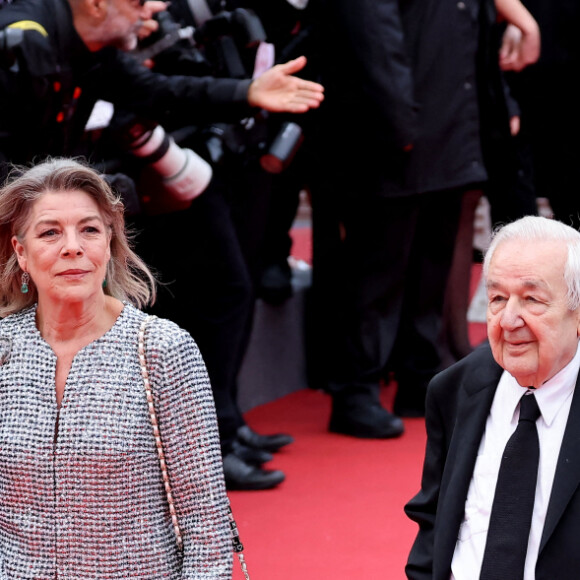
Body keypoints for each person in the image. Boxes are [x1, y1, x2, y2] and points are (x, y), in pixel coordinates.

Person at [0, 0, 324, 490]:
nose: (152, 7)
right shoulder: (22, 41)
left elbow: (164, 89)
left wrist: (249, 90)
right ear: (96, 3)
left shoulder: (95, 50)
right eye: (137, 0)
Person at [306, 0, 539, 439]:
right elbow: (372, 41)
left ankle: (421, 383)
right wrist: (400, 126)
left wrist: (495, 103)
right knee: (377, 270)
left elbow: (472, 36)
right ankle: (356, 392)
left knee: (431, 267)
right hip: (395, 136)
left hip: (452, 131)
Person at [0, 157, 235, 578]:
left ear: (109, 243)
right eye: (50, 232)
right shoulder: (3, 348)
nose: (73, 246)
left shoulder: (162, 350)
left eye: (89, 230)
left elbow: (207, 522)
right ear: (22, 252)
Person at [405, 215, 580, 579]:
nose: (508, 320)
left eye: (532, 299)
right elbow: (434, 517)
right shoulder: (453, 390)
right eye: (497, 298)